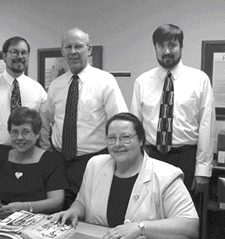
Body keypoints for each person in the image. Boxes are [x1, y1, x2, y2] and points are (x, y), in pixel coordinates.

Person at [50, 113, 199, 239]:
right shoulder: (95, 165)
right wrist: (73, 212)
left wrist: (141, 227)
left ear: (141, 140)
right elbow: (82, 203)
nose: (117, 144)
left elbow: (190, 225)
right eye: (111, 138)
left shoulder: (166, 175)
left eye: (125, 137)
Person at [40, 28, 128, 209]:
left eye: (78, 46)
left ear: (89, 49)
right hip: (60, 161)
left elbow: (120, 121)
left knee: (92, 211)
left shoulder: (105, 81)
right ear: (62, 51)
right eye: (68, 47)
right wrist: (46, 148)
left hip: (94, 161)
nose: (73, 52)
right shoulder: (56, 85)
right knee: (61, 210)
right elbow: (45, 116)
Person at [130, 24, 215, 200]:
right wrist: (133, 163)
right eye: (161, 46)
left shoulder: (200, 80)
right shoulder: (142, 82)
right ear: (155, 48)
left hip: (185, 158)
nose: (167, 51)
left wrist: (202, 170)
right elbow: (134, 127)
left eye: (172, 45)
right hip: (150, 156)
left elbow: (206, 126)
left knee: (183, 216)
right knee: (148, 211)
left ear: (181, 46)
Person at [0, 36, 47, 177]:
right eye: (14, 52)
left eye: (24, 52)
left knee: (26, 196)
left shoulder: (37, 89)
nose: (19, 56)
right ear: (4, 56)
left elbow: (44, 128)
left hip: (30, 155)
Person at [0, 107, 68, 218]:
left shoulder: (52, 161)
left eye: (26, 132)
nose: (19, 137)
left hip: (36, 223)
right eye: (15, 132)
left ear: (37, 134)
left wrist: (25, 207)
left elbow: (57, 202)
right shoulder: (1, 159)